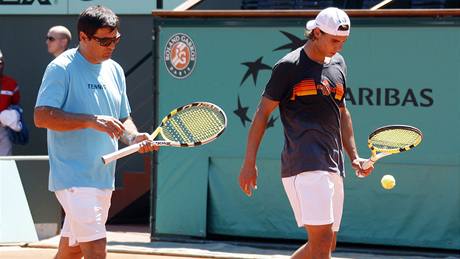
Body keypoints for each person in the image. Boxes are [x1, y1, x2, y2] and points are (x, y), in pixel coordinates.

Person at [238, 7, 374, 259]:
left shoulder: (339, 64)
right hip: (305, 162)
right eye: (334, 40)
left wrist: (354, 156)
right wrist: (249, 163)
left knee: (326, 244)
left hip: (333, 163)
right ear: (317, 33)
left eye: (343, 42)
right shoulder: (288, 67)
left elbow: (342, 112)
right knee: (321, 245)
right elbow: (262, 114)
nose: (339, 47)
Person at [34, 5, 158, 259]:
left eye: (116, 39)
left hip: (102, 177)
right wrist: (91, 121)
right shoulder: (61, 68)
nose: (111, 46)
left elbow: (123, 118)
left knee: (71, 250)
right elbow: (41, 116)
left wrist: (134, 137)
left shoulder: (115, 70)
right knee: (96, 247)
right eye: (104, 40)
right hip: (73, 177)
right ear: (83, 37)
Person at [0, 49, 21, 155]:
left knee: (5, 163)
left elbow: (15, 104)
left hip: (4, 129)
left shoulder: (11, 83)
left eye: (1, 62)